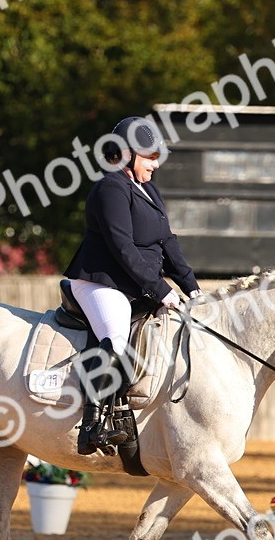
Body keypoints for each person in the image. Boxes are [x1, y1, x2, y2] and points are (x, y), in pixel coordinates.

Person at [64, 116, 203, 455]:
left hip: (134, 284)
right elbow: (122, 247)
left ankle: (126, 418)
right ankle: (92, 425)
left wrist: (192, 288)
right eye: (150, 157)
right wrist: (160, 289)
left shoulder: (148, 189)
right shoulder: (110, 188)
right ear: (126, 154)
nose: (156, 164)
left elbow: (167, 242)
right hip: (101, 282)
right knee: (115, 336)